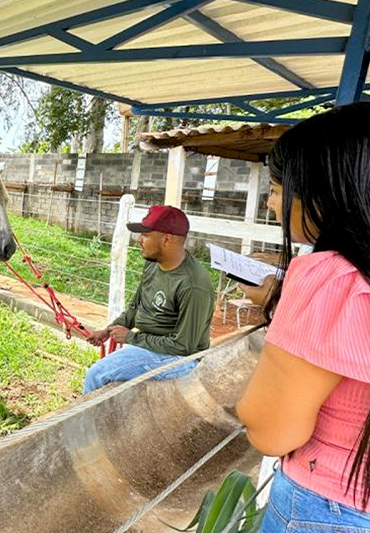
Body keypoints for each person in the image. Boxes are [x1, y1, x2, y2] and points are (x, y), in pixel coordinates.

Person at [236, 102, 370, 532]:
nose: (272, 203)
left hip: (325, 509)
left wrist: (294, 310)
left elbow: (269, 430)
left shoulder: (328, 276)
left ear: (332, 191)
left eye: (277, 187)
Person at [83, 205, 214, 394]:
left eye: (145, 235)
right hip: (151, 347)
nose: (139, 240)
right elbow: (136, 307)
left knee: (96, 375)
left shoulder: (193, 285)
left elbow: (184, 346)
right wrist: (107, 330)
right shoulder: (153, 264)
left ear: (166, 239)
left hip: (179, 358)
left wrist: (130, 337)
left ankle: (87, 423)